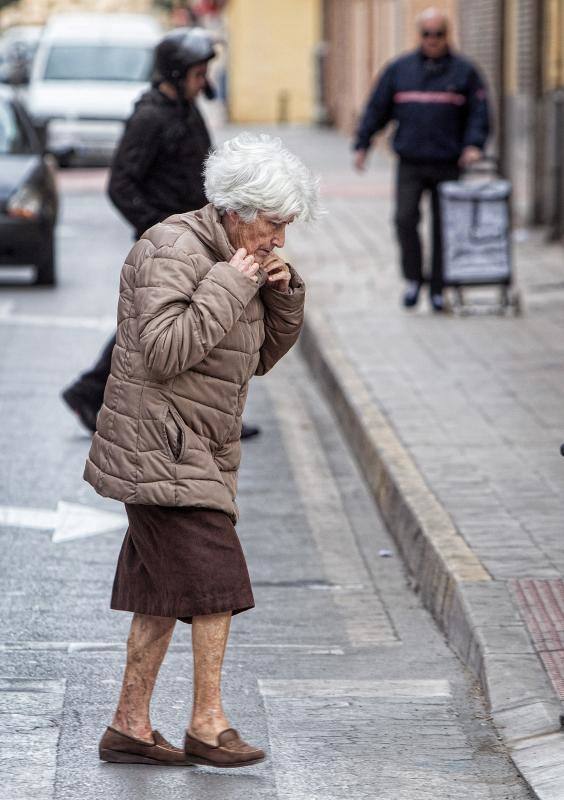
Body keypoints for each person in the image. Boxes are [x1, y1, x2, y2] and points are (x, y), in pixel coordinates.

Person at [85, 133, 319, 768]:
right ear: (239, 210)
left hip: (199, 444)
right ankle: (208, 724)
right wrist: (230, 284)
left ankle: (129, 725)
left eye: (286, 228)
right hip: (161, 447)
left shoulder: (236, 258)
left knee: (161, 598)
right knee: (218, 585)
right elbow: (163, 352)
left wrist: (280, 293)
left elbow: (256, 359)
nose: (278, 238)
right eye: (273, 225)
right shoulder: (171, 249)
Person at [61, 28, 259, 438]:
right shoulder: (150, 117)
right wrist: (158, 228)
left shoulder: (186, 110)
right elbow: (120, 185)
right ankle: (90, 391)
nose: (204, 81)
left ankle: (205, 413)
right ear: (175, 71)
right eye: (198, 72)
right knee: (166, 325)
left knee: (183, 322)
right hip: (170, 243)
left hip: (197, 236)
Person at [353, 7, 490, 311]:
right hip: (410, 161)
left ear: (447, 35)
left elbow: (479, 114)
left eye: (438, 34)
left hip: (448, 163)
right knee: (404, 220)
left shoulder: (465, 72)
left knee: (445, 226)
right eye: (427, 34)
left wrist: (473, 145)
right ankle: (414, 279)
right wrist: (363, 144)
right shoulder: (400, 70)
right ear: (420, 36)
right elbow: (378, 108)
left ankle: (439, 289)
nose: (432, 40)